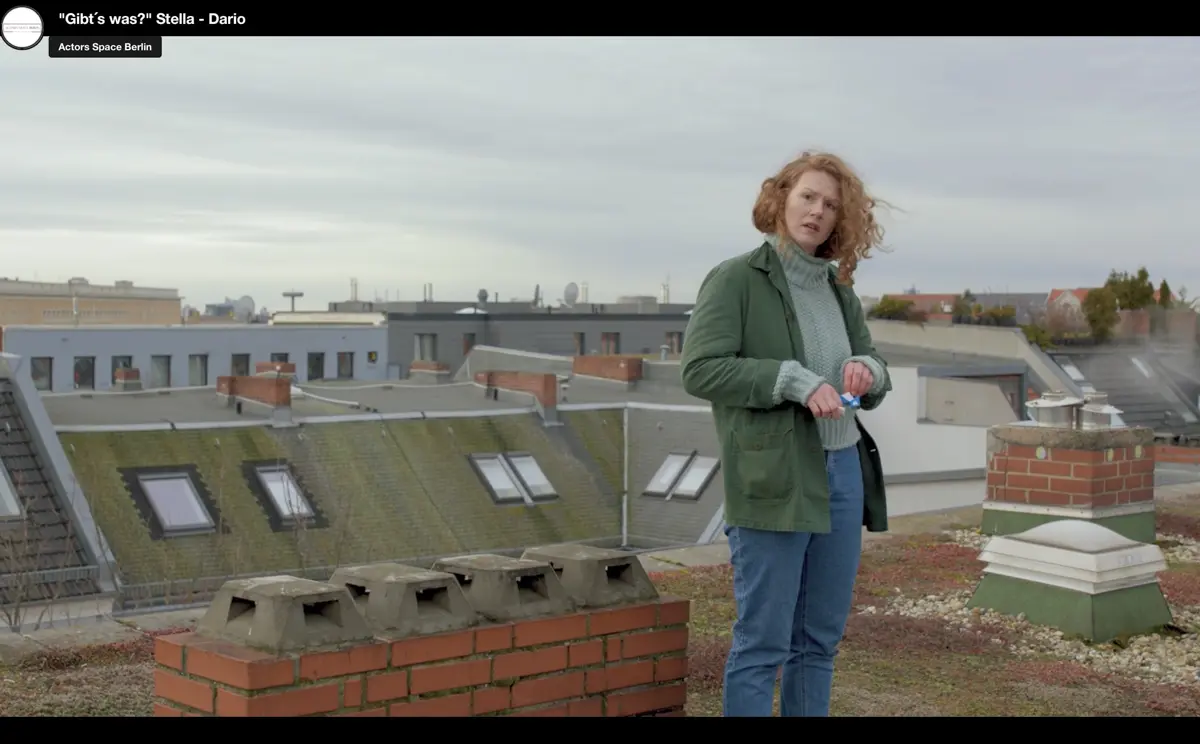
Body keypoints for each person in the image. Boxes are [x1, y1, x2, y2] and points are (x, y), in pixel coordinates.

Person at [679, 151, 892, 717]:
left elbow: (874, 364)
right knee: (762, 643)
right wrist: (788, 379)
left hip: (843, 472)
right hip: (774, 476)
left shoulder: (838, 291)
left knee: (818, 642)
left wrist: (869, 373)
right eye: (808, 197)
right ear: (780, 199)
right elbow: (699, 369)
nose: (817, 212)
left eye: (830, 205)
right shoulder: (735, 280)